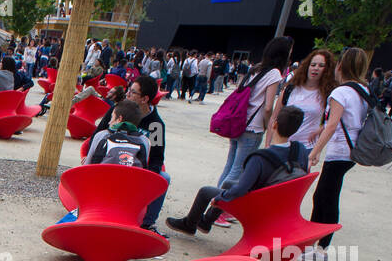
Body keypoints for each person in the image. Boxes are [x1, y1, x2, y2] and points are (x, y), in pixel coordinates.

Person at [166, 105, 307, 235]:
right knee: (228, 184)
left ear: (274, 124)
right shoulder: (300, 150)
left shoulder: (260, 158)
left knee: (206, 191)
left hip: (256, 202)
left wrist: (220, 198)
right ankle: (206, 222)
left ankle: (189, 225)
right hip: (281, 202)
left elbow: (241, 189)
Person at [212, 36, 293, 226]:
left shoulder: (255, 69)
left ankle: (217, 202)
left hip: (238, 123)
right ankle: (219, 208)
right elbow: (267, 106)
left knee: (230, 166)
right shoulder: (274, 74)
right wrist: (267, 125)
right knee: (238, 170)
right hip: (253, 127)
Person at [304, 46, 370, 261]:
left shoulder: (341, 92)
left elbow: (333, 125)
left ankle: (319, 246)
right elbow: (347, 122)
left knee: (325, 197)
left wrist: (315, 150)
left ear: (340, 66)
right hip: (351, 151)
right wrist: (320, 130)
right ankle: (317, 244)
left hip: (339, 150)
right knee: (327, 195)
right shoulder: (362, 91)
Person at [266, 48, 334, 154]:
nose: (316, 68)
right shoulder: (290, 89)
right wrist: (268, 145)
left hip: (305, 148)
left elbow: (332, 121)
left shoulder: (327, 94)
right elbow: (274, 117)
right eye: (313, 65)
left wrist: (319, 131)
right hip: (281, 145)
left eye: (321, 66)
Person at [129, 76, 168, 233]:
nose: (127, 95)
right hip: (115, 163)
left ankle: (148, 222)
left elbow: (158, 157)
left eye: (132, 92)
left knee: (164, 178)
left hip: (140, 170)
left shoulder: (155, 125)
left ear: (144, 99)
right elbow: (99, 134)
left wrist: (149, 176)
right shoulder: (120, 111)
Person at [85, 100, 150, 167]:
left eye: (112, 117)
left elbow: (87, 166)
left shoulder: (102, 135)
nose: (109, 122)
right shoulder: (144, 140)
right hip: (131, 177)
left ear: (119, 119)